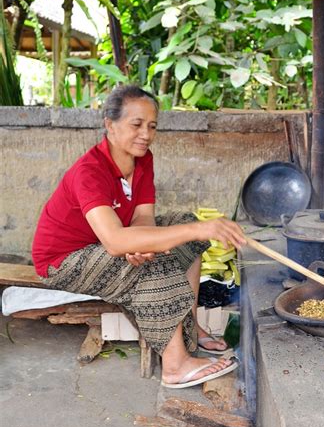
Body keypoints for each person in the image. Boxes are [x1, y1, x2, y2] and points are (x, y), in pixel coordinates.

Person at [32, 85, 246, 388]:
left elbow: (143, 217)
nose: (145, 133)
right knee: (157, 261)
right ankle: (175, 366)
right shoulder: (90, 171)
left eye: (152, 126)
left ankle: (192, 328)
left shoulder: (142, 160)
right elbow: (116, 242)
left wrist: (143, 241)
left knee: (183, 230)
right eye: (136, 125)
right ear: (110, 124)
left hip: (104, 242)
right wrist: (143, 241)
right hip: (64, 260)